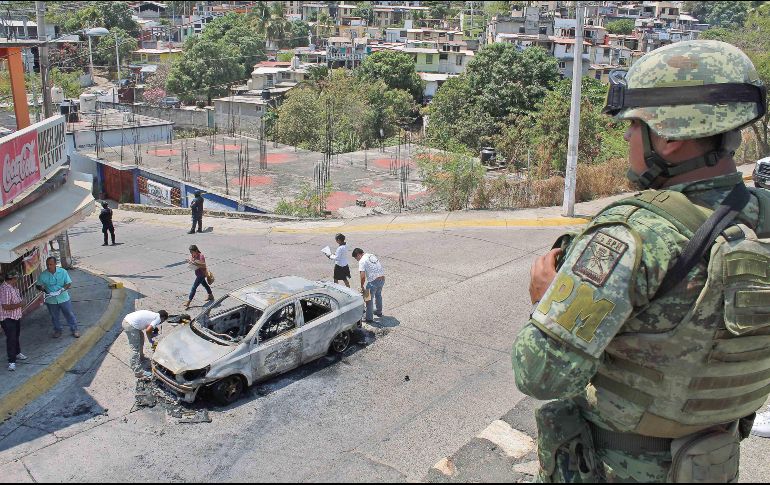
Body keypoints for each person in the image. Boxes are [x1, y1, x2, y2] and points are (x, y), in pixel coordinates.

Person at [511, 40, 770, 483]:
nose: (628, 137)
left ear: (667, 137)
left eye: (633, 125)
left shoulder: (631, 236)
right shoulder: (762, 218)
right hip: (713, 463)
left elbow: (539, 376)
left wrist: (544, 300)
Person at [36, 257, 80, 338]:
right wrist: (45, 290)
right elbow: (38, 285)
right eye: (47, 264)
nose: (49, 266)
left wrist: (62, 290)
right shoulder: (43, 275)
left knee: (69, 314)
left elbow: (68, 283)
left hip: (63, 298)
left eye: (51, 264)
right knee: (54, 316)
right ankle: (58, 330)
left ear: (55, 264)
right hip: (51, 300)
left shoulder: (62, 272)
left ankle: (74, 329)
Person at [121, 309, 168, 378]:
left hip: (128, 321)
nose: (161, 322)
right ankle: (138, 371)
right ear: (163, 318)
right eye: (163, 321)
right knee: (135, 349)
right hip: (131, 325)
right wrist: (151, 341)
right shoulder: (158, 319)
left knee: (141, 338)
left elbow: (147, 328)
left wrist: (151, 334)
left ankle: (141, 357)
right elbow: (148, 330)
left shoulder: (153, 315)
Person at [0, 271, 26, 371]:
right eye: (16, 278)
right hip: (8, 318)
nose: (17, 280)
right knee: (11, 339)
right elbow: (5, 306)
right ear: (12, 279)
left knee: (16, 336)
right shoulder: (5, 289)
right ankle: (12, 362)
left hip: (15, 316)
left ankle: (17, 352)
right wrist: (20, 304)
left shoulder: (12, 287)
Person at [352, 248, 385, 323]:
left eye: (356, 258)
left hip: (372, 282)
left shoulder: (362, 261)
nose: (357, 260)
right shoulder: (371, 255)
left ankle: (368, 318)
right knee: (378, 295)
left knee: (367, 299)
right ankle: (379, 312)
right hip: (382, 279)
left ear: (358, 255)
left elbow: (362, 276)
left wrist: (362, 286)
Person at [185, 245, 213, 310]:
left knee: (194, 287)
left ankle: (188, 301)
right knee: (205, 285)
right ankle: (211, 295)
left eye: (192, 252)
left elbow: (203, 265)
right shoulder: (193, 256)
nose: (191, 253)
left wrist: (195, 263)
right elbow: (193, 262)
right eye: (190, 252)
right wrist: (190, 262)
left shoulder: (201, 256)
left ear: (196, 250)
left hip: (202, 274)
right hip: (197, 274)